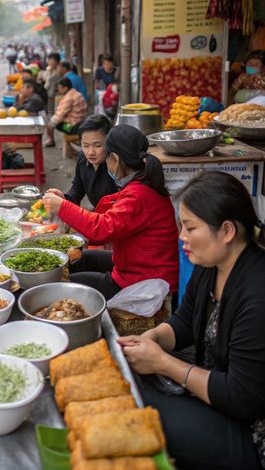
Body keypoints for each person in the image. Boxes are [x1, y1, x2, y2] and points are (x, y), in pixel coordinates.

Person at [118, 171, 265, 470]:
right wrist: (152, 338)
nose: (181, 237)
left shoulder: (258, 294)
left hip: (253, 431)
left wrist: (163, 364)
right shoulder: (213, 263)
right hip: (217, 394)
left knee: (136, 415)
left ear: (226, 231)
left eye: (190, 227)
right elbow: (185, 319)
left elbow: (242, 397)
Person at [43, 124, 179, 299]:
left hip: (144, 281)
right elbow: (108, 218)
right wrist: (66, 206)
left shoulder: (139, 195)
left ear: (114, 158)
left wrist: (63, 206)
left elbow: (101, 229)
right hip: (132, 264)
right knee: (78, 259)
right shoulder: (141, 183)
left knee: (60, 285)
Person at [46, 115, 116, 206]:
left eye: (97, 145)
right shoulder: (82, 158)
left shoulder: (117, 167)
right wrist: (64, 199)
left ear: (109, 142)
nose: (90, 152)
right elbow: (78, 188)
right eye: (85, 145)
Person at [45, 78, 88, 147]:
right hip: (80, 123)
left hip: (73, 127)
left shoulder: (69, 98)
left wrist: (50, 123)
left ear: (65, 88)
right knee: (54, 121)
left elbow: (60, 115)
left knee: (52, 123)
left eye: (59, 87)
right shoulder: (76, 93)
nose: (58, 89)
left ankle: (51, 141)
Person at [41, 51, 62, 116]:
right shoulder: (48, 69)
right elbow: (45, 78)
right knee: (49, 111)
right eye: (49, 60)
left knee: (54, 111)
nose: (50, 62)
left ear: (56, 61)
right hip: (47, 94)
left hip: (54, 95)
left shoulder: (58, 72)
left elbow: (49, 80)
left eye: (52, 60)